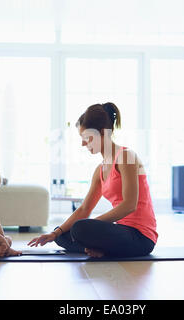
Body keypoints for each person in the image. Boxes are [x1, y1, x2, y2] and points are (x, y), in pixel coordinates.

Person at [28, 102, 158, 257]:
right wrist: (54, 234)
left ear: (102, 132)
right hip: (120, 231)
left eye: (87, 138)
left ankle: (101, 249)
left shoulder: (126, 156)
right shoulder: (100, 170)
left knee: (80, 229)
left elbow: (130, 205)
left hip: (140, 237)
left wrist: (94, 224)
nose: (83, 143)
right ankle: (95, 251)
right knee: (62, 234)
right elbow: (84, 209)